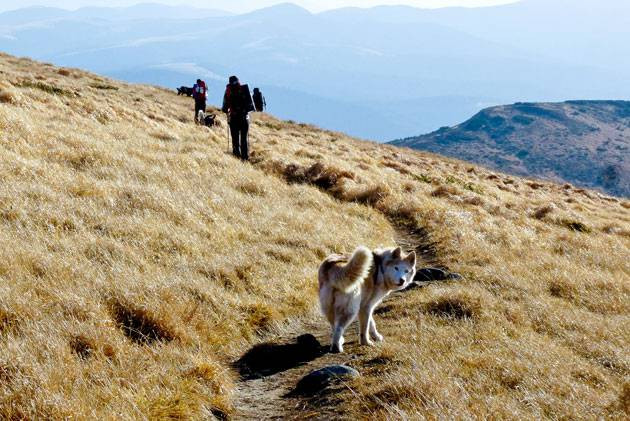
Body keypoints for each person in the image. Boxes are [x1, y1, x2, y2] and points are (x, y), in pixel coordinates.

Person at [222, 76, 254, 160]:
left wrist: (228, 111)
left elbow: (224, 108)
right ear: (238, 81)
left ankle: (236, 157)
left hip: (234, 118)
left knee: (235, 139)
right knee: (244, 139)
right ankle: (245, 158)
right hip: (244, 118)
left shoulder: (228, 91)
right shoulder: (244, 89)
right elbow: (251, 106)